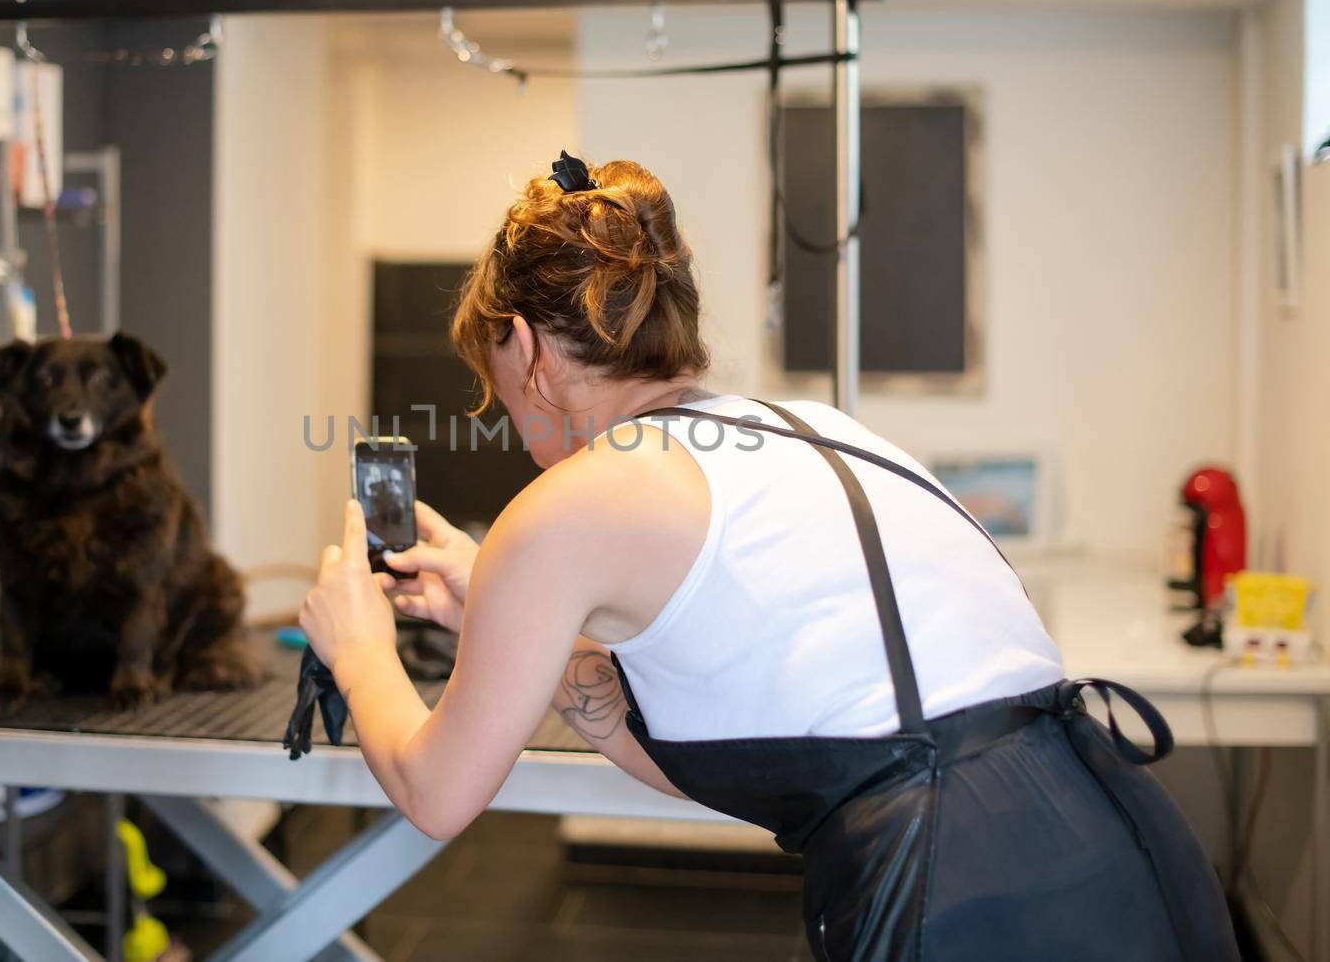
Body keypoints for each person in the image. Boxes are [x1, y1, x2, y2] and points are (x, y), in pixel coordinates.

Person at [298, 155, 1237, 960]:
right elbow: (751, 747)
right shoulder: (809, 430)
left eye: (495, 385)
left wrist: (358, 645)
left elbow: (434, 790)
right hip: (1123, 840)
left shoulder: (571, 501)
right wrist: (501, 623)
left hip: (958, 890)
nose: (508, 414)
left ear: (531, 350)